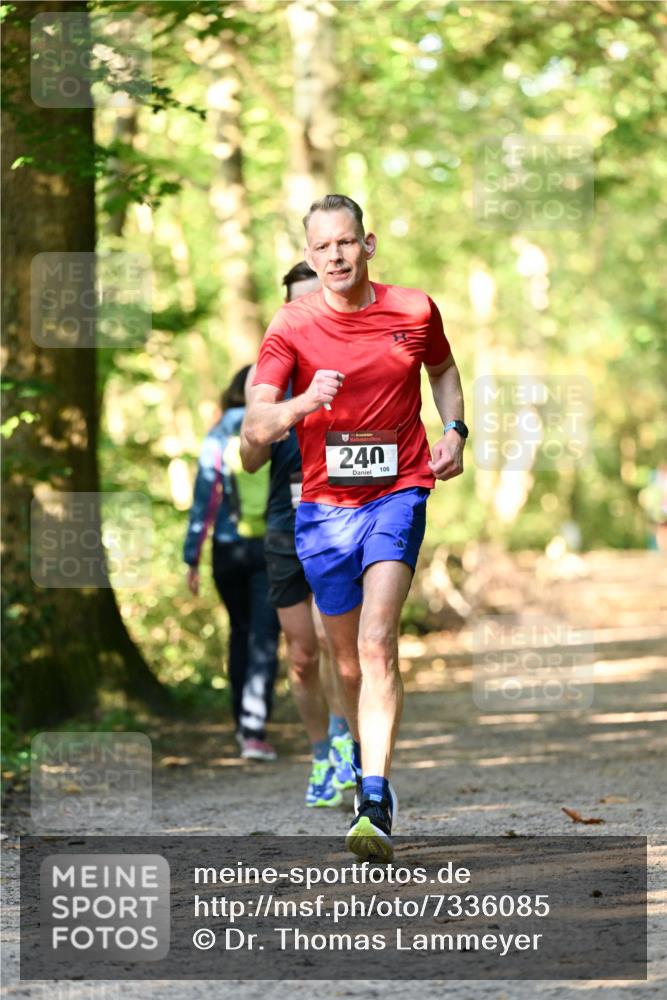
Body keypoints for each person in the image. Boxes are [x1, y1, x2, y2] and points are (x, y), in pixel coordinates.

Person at [244, 194, 467, 861]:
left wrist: (453, 429)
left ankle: (374, 793)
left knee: (375, 644)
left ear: (366, 245)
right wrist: (303, 403)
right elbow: (254, 431)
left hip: (398, 491)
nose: (335, 256)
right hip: (321, 511)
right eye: (322, 247)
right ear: (309, 255)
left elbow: (443, 369)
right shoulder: (289, 326)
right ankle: (355, 757)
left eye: (346, 243)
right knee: (343, 659)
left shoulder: (413, 309)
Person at [240, 262, 356, 808]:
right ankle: (319, 755)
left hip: (341, 516)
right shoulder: (266, 374)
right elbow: (247, 459)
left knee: (342, 646)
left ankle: (345, 741)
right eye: (302, 301)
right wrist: (275, 420)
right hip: (286, 524)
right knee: (303, 656)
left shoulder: (355, 358)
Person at [184, 366, 280, 761]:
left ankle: (240, 722)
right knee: (264, 635)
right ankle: (254, 729)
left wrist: (192, 556)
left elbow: (205, 496)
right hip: (273, 544)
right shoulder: (278, 425)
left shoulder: (217, 433)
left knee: (239, 632)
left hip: (226, 550)